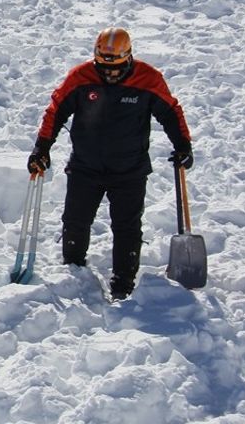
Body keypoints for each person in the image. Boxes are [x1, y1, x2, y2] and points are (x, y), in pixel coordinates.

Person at [27, 27, 192, 300]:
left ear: (129, 58)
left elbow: (170, 112)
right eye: (104, 68)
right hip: (85, 166)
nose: (110, 74)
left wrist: (183, 145)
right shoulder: (80, 77)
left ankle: (123, 285)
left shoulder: (148, 79)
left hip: (130, 170)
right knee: (75, 221)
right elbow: (56, 110)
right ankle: (74, 273)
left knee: (127, 227)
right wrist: (41, 147)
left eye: (116, 69)